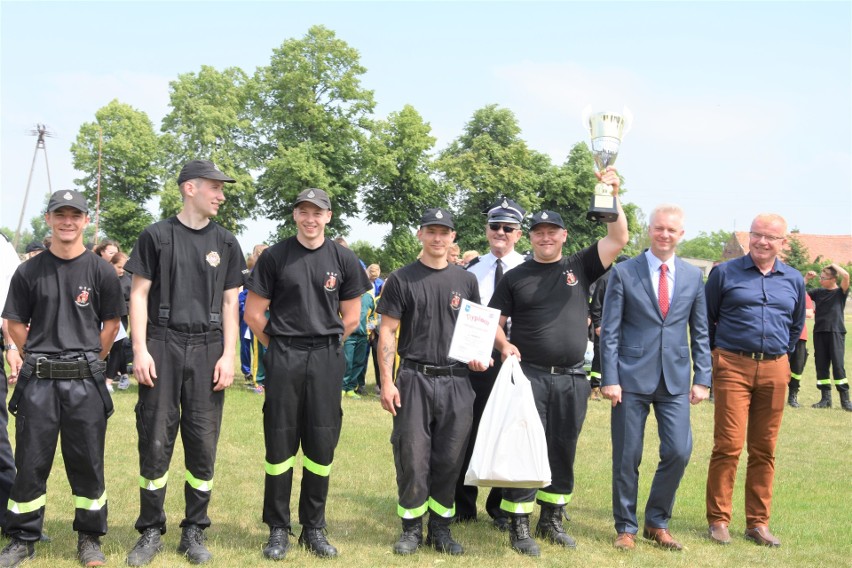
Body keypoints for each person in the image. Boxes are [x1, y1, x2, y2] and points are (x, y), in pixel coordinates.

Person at [490, 166, 628, 556]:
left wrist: (613, 193)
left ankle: (552, 519)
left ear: (564, 236)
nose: (545, 237)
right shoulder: (515, 277)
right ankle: (519, 524)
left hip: (573, 379)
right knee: (524, 448)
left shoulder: (580, 266)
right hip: (529, 377)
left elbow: (619, 236)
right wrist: (503, 345)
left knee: (563, 448)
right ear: (529, 237)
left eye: (553, 231)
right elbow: (493, 324)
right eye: (538, 232)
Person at [124, 160, 246, 566]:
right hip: (162, 342)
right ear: (189, 188)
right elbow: (138, 295)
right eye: (215, 187)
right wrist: (140, 350)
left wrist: (230, 355)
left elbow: (232, 304)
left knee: (202, 440)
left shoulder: (226, 242)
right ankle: (151, 528)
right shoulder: (156, 236)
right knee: (155, 437)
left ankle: (194, 528)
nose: (221, 195)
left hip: (209, 346)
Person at [244, 188, 370, 560]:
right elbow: (253, 315)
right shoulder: (275, 257)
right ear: (295, 215)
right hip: (284, 354)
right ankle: (278, 528)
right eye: (303, 211)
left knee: (321, 441)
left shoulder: (344, 259)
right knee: (280, 442)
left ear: (329, 216)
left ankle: (313, 526)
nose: (310, 218)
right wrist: (280, 347)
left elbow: (351, 318)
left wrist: (323, 345)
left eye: (318, 212)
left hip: (326, 357)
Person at [0, 190, 123, 567]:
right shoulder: (29, 270)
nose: (67, 221)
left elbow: (112, 324)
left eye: (75, 215)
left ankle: (89, 539)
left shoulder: (100, 270)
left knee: (87, 462)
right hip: (38, 382)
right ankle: (24, 537)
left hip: (85, 383)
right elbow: (15, 324)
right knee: (31, 463)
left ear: (86, 220)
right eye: (59, 215)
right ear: (49, 219)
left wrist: (88, 359)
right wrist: (40, 354)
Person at [599, 205, 711, 551]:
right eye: (659, 228)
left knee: (679, 450)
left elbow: (701, 330)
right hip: (630, 379)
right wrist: (610, 377)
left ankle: (657, 522)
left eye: (671, 230)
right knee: (627, 455)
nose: (665, 235)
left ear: (681, 235)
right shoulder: (624, 272)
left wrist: (703, 376)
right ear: (650, 230)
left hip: (675, 379)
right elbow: (610, 332)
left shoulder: (693, 277)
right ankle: (626, 527)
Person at [377, 207, 484, 557]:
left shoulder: (466, 281)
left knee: (450, 458)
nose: (438, 238)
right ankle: (411, 528)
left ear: (453, 238)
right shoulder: (401, 279)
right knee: (412, 455)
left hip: (456, 380)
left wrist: (479, 354)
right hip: (414, 379)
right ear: (420, 234)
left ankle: (440, 528)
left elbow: (475, 329)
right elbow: (388, 331)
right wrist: (386, 382)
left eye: (445, 232)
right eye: (431, 231)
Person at [704, 214, 806, 548]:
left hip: (776, 368)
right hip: (732, 365)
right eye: (757, 235)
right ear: (749, 236)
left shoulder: (793, 279)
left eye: (770, 237)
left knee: (764, 449)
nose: (762, 242)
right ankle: (719, 520)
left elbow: (795, 325)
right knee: (729, 445)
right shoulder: (724, 273)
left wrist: (780, 356)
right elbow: (708, 319)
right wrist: (717, 358)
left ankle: (758, 524)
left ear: (783, 242)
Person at [454, 196, 527, 530]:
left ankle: (500, 508)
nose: (501, 232)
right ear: (487, 230)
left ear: (519, 234)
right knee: (466, 431)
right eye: (495, 226)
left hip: (517, 362)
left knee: (507, 433)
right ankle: (462, 503)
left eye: (508, 228)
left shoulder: (529, 268)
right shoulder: (471, 269)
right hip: (476, 362)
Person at [805, 263, 850, 410]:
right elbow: (799, 292)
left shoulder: (840, 293)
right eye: (820, 277)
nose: (820, 280)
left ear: (832, 279)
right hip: (819, 332)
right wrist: (806, 279)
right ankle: (825, 400)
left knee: (838, 366)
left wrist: (834, 265)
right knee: (821, 365)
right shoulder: (818, 292)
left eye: (823, 278)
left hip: (836, 332)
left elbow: (846, 276)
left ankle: (845, 401)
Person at [588, 254, 629, 401]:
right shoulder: (606, 279)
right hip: (605, 328)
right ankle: (594, 388)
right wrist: (598, 325)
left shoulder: (629, 281)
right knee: (600, 357)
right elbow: (596, 305)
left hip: (623, 328)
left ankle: (614, 385)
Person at [342, 289, 376, 399]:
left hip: (362, 336)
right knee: (347, 361)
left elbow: (373, 318)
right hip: (348, 335)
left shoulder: (369, 298)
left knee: (359, 362)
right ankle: (342, 387)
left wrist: (368, 330)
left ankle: (351, 388)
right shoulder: (347, 294)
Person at [106, 251, 132, 392]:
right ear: (111, 264)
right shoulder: (105, 277)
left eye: (124, 267)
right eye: (119, 267)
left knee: (117, 349)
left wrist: (121, 306)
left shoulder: (128, 281)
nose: (122, 270)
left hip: (120, 319)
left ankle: (109, 381)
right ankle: (120, 375)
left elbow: (132, 302)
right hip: (103, 318)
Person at [787, 294, 814, 408]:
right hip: (779, 334)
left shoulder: (802, 294)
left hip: (799, 335)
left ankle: (792, 396)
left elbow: (809, 313)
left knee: (797, 368)